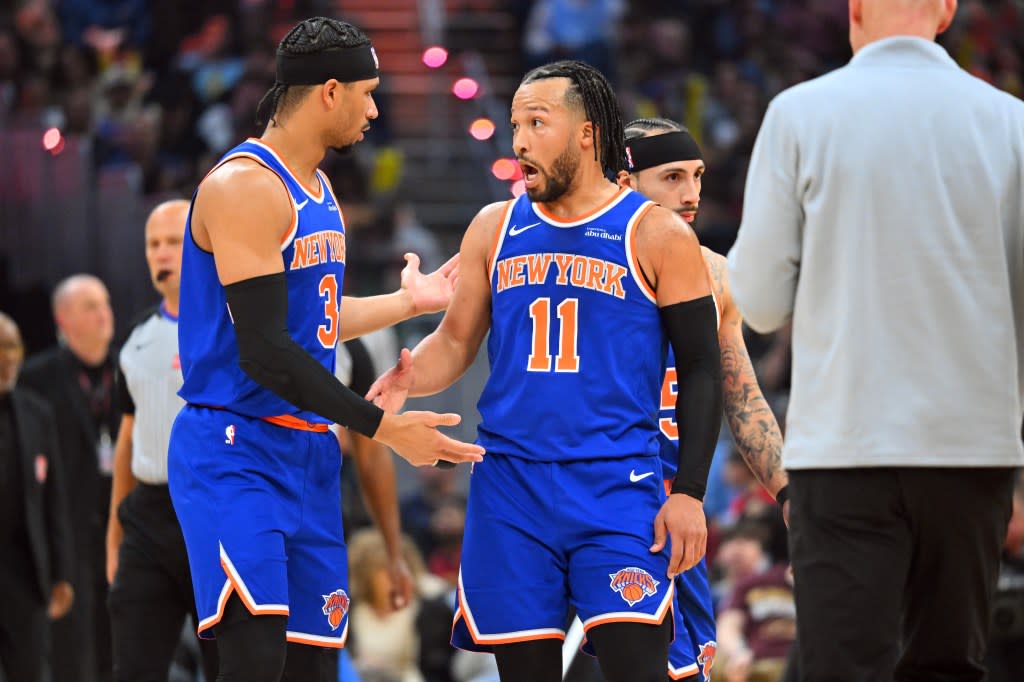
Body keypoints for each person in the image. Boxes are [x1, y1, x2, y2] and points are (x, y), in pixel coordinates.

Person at [368, 60, 723, 682]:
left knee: (639, 669)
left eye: (538, 122)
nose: (520, 141)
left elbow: (701, 369)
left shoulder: (658, 234)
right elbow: (454, 341)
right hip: (512, 488)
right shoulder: (493, 227)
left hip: (617, 484)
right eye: (515, 125)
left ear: (587, 133)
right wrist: (408, 373)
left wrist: (690, 491)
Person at [167, 17, 484, 682]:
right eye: (368, 93)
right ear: (330, 91)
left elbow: (317, 323)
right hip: (236, 447)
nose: (375, 109)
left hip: (307, 454)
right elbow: (265, 351)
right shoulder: (246, 187)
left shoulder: (321, 188)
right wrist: (380, 426)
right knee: (254, 662)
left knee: (314, 669)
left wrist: (408, 304)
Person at [727, 1, 1024, 679]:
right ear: (947, 11)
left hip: (846, 445)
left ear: (854, 8)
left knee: (843, 668)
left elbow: (763, 303)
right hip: (973, 448)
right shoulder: (1012, 124)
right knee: (947, 667)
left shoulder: (801, 114)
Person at [616, 118, 789, 682]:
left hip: (679, 504)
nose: (691, 193)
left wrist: (790, 494)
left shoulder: (716, 274)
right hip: (601, 493)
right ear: (623, 181)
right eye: (671, 177)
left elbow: (743, 397)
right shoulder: (583, 265)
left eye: (696, 176)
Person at [105, 199, 219, 682]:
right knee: (133, 666)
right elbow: (126, 441)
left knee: (227, 667)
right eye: (153, 244)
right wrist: (114, 539)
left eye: (173, 241)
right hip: (149, 517)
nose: (161, 252)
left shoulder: (230, 326)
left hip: (216, 513)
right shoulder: (135, 338)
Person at [21, 273, 119, 682]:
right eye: (90, 307)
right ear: (62, 319)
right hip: (68, 532)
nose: (103, 314)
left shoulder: (129, 366)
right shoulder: (36, 379)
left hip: (121, 529)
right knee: (72, 652)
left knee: (121, 643)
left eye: (106, 303)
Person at [0, 311, 75, 682]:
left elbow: (53, 501)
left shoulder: (35, 412)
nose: (8, 356)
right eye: (0, 347)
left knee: (30, 670)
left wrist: (60, 573)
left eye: (13, 345)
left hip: (24, 572)